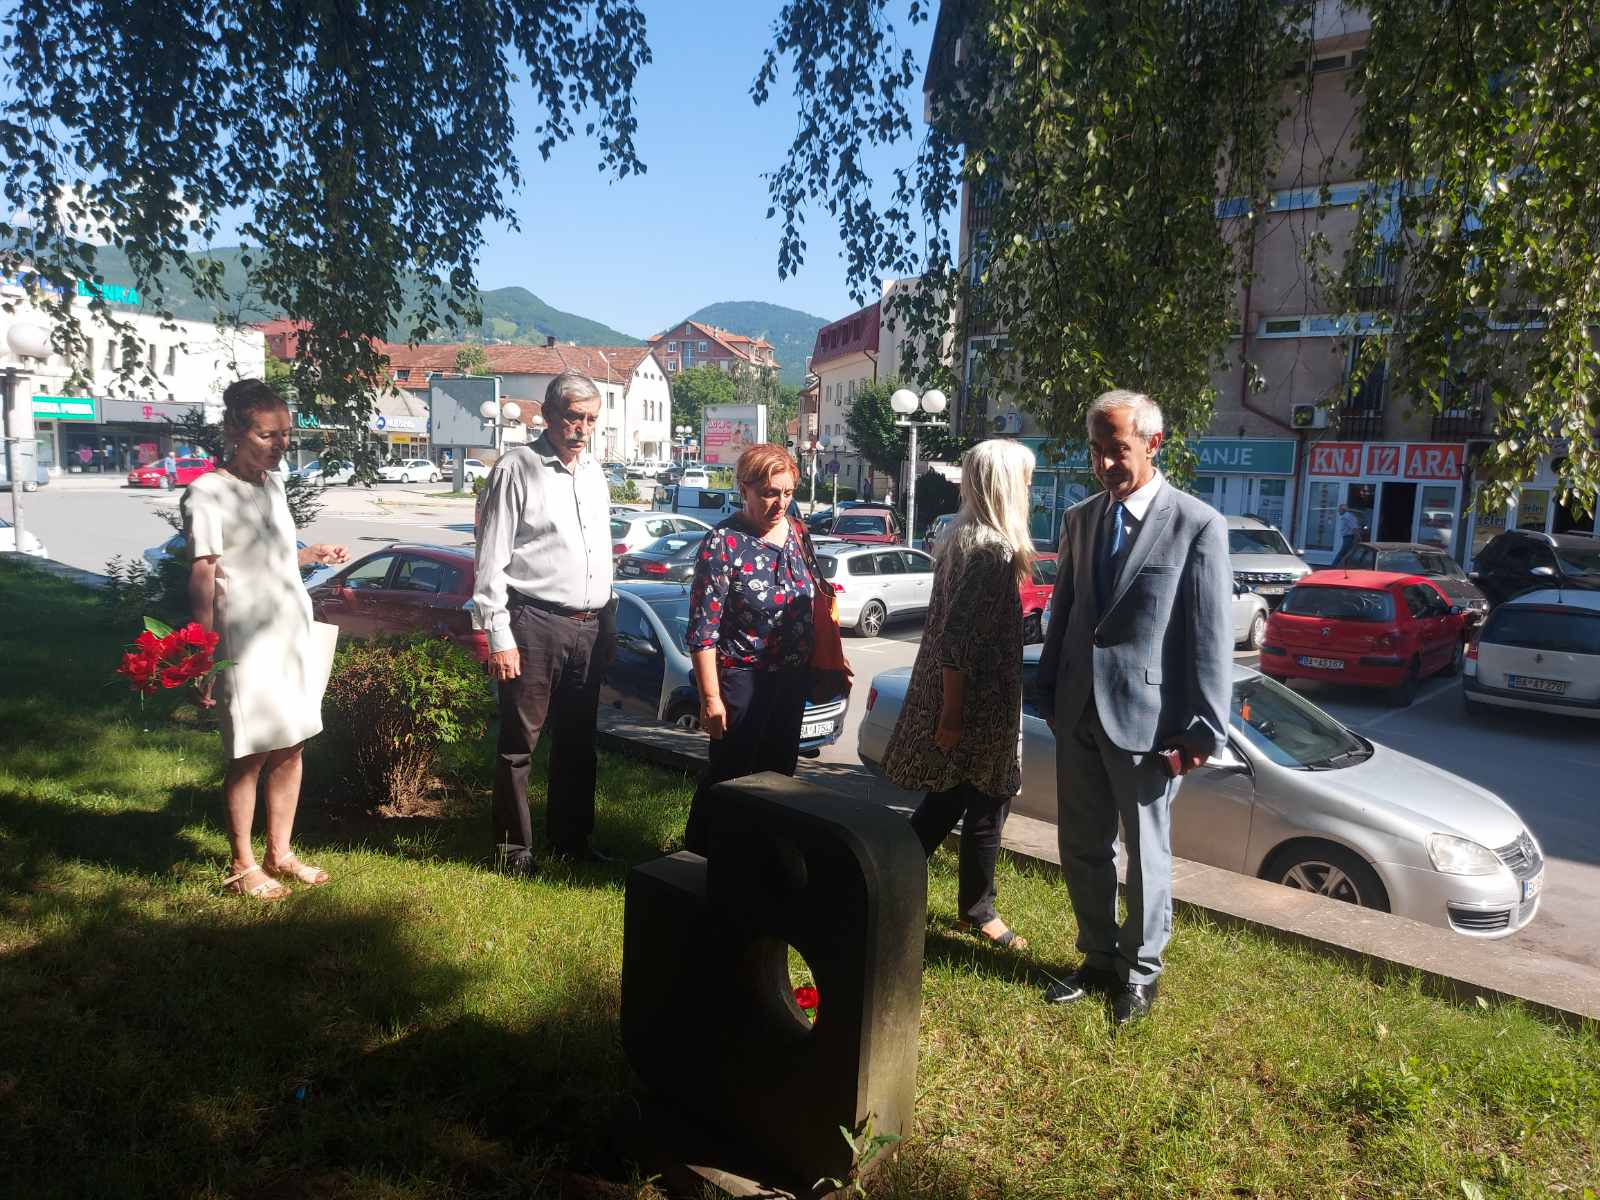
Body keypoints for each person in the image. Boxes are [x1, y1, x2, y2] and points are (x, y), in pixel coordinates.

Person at [1035, 389, 1232, 1024]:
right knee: (1081, 843)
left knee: (1146, 851)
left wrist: (1204, 729)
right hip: (1078, 711)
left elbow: (1208, 637)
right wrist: (1048, 692)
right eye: (1095, 450)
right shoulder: (1081, 518)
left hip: (1149, 723)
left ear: (1153, 443)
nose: (1103, 464)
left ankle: (1140, 972)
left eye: (1116, 449)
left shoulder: (1197, 524)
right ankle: (1097, 956)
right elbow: (1065, 616)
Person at [186, 379, 349, 899]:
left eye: (285, 434)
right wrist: (200, 650)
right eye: (267, 434)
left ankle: (281, 852)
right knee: (250, 751)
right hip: (244, 639)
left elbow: (266, 557)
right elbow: (204, 574)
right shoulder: (206, 493)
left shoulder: (273, 486)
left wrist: (309, 555)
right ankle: (243, 865)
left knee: (292, 743)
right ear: (235, 432)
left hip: (291, 629)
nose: (280, 444)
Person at [879, 439, 1035, 948]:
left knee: (947, 799)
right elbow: (958, 640)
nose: (1030, 488)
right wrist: (951, 714)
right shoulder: (993, 551)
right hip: (976, 706)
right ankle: (977, 910)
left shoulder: (959, 537)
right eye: (1025, 479)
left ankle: (885, 882)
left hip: (965, 698)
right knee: (987, 802)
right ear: (1006, 486)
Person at [474, 370, 617, 873]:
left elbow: (600, 554)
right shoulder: (519, 467)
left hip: (590, 625)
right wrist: (498, 635)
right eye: (574, 417)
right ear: (549, 414)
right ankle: (513, 851)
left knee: (579, 743)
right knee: (520, 744)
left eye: (591, 420)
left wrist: (608, 621)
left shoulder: (594, 472)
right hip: (534, 622)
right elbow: (490, 555)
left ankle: (571, 841)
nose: (582, 429)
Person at [683, 443, 822, 854]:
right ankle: (704, 854)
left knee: (779, 773)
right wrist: (711, 699)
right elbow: (702, 631)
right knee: (732, 773)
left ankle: (763, 854)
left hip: (791, 677)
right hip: (740, 679)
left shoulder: (797, 532)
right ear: (743, 489)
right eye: (769, 493)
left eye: (788, 493)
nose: (780, 503)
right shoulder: (723, 543)